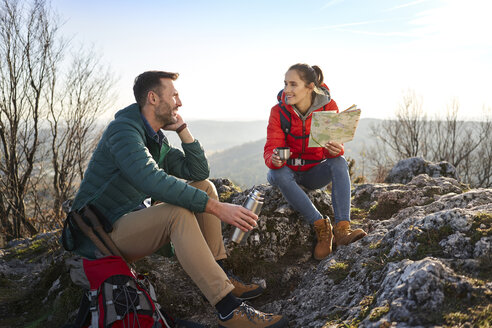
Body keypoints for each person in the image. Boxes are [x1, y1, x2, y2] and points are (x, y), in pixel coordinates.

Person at [67, 71, 288, 328]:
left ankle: (221, 274)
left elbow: (198, 173)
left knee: (204, 188)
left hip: (126, 222)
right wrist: (218, 209)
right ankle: (228, 310)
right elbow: (150, 179)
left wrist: (183, 130)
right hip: (100, 237)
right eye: (174, 95)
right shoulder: (123, 132)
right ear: (152, 98)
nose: (179, 102)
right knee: (177, 213)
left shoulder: (154, 139)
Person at [264, 63, 367, 260]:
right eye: (285, 84)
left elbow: (334, 142)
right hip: (287, 171)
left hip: (313, 173)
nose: (287, 90)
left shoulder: (329, 106)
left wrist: (337, 149)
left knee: (339, 161)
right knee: (277, 173)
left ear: (310, 87)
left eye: (293, 84)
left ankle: (342, 231)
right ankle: (321, 227)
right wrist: (274, 159)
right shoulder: (278, 111)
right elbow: (271, 147)